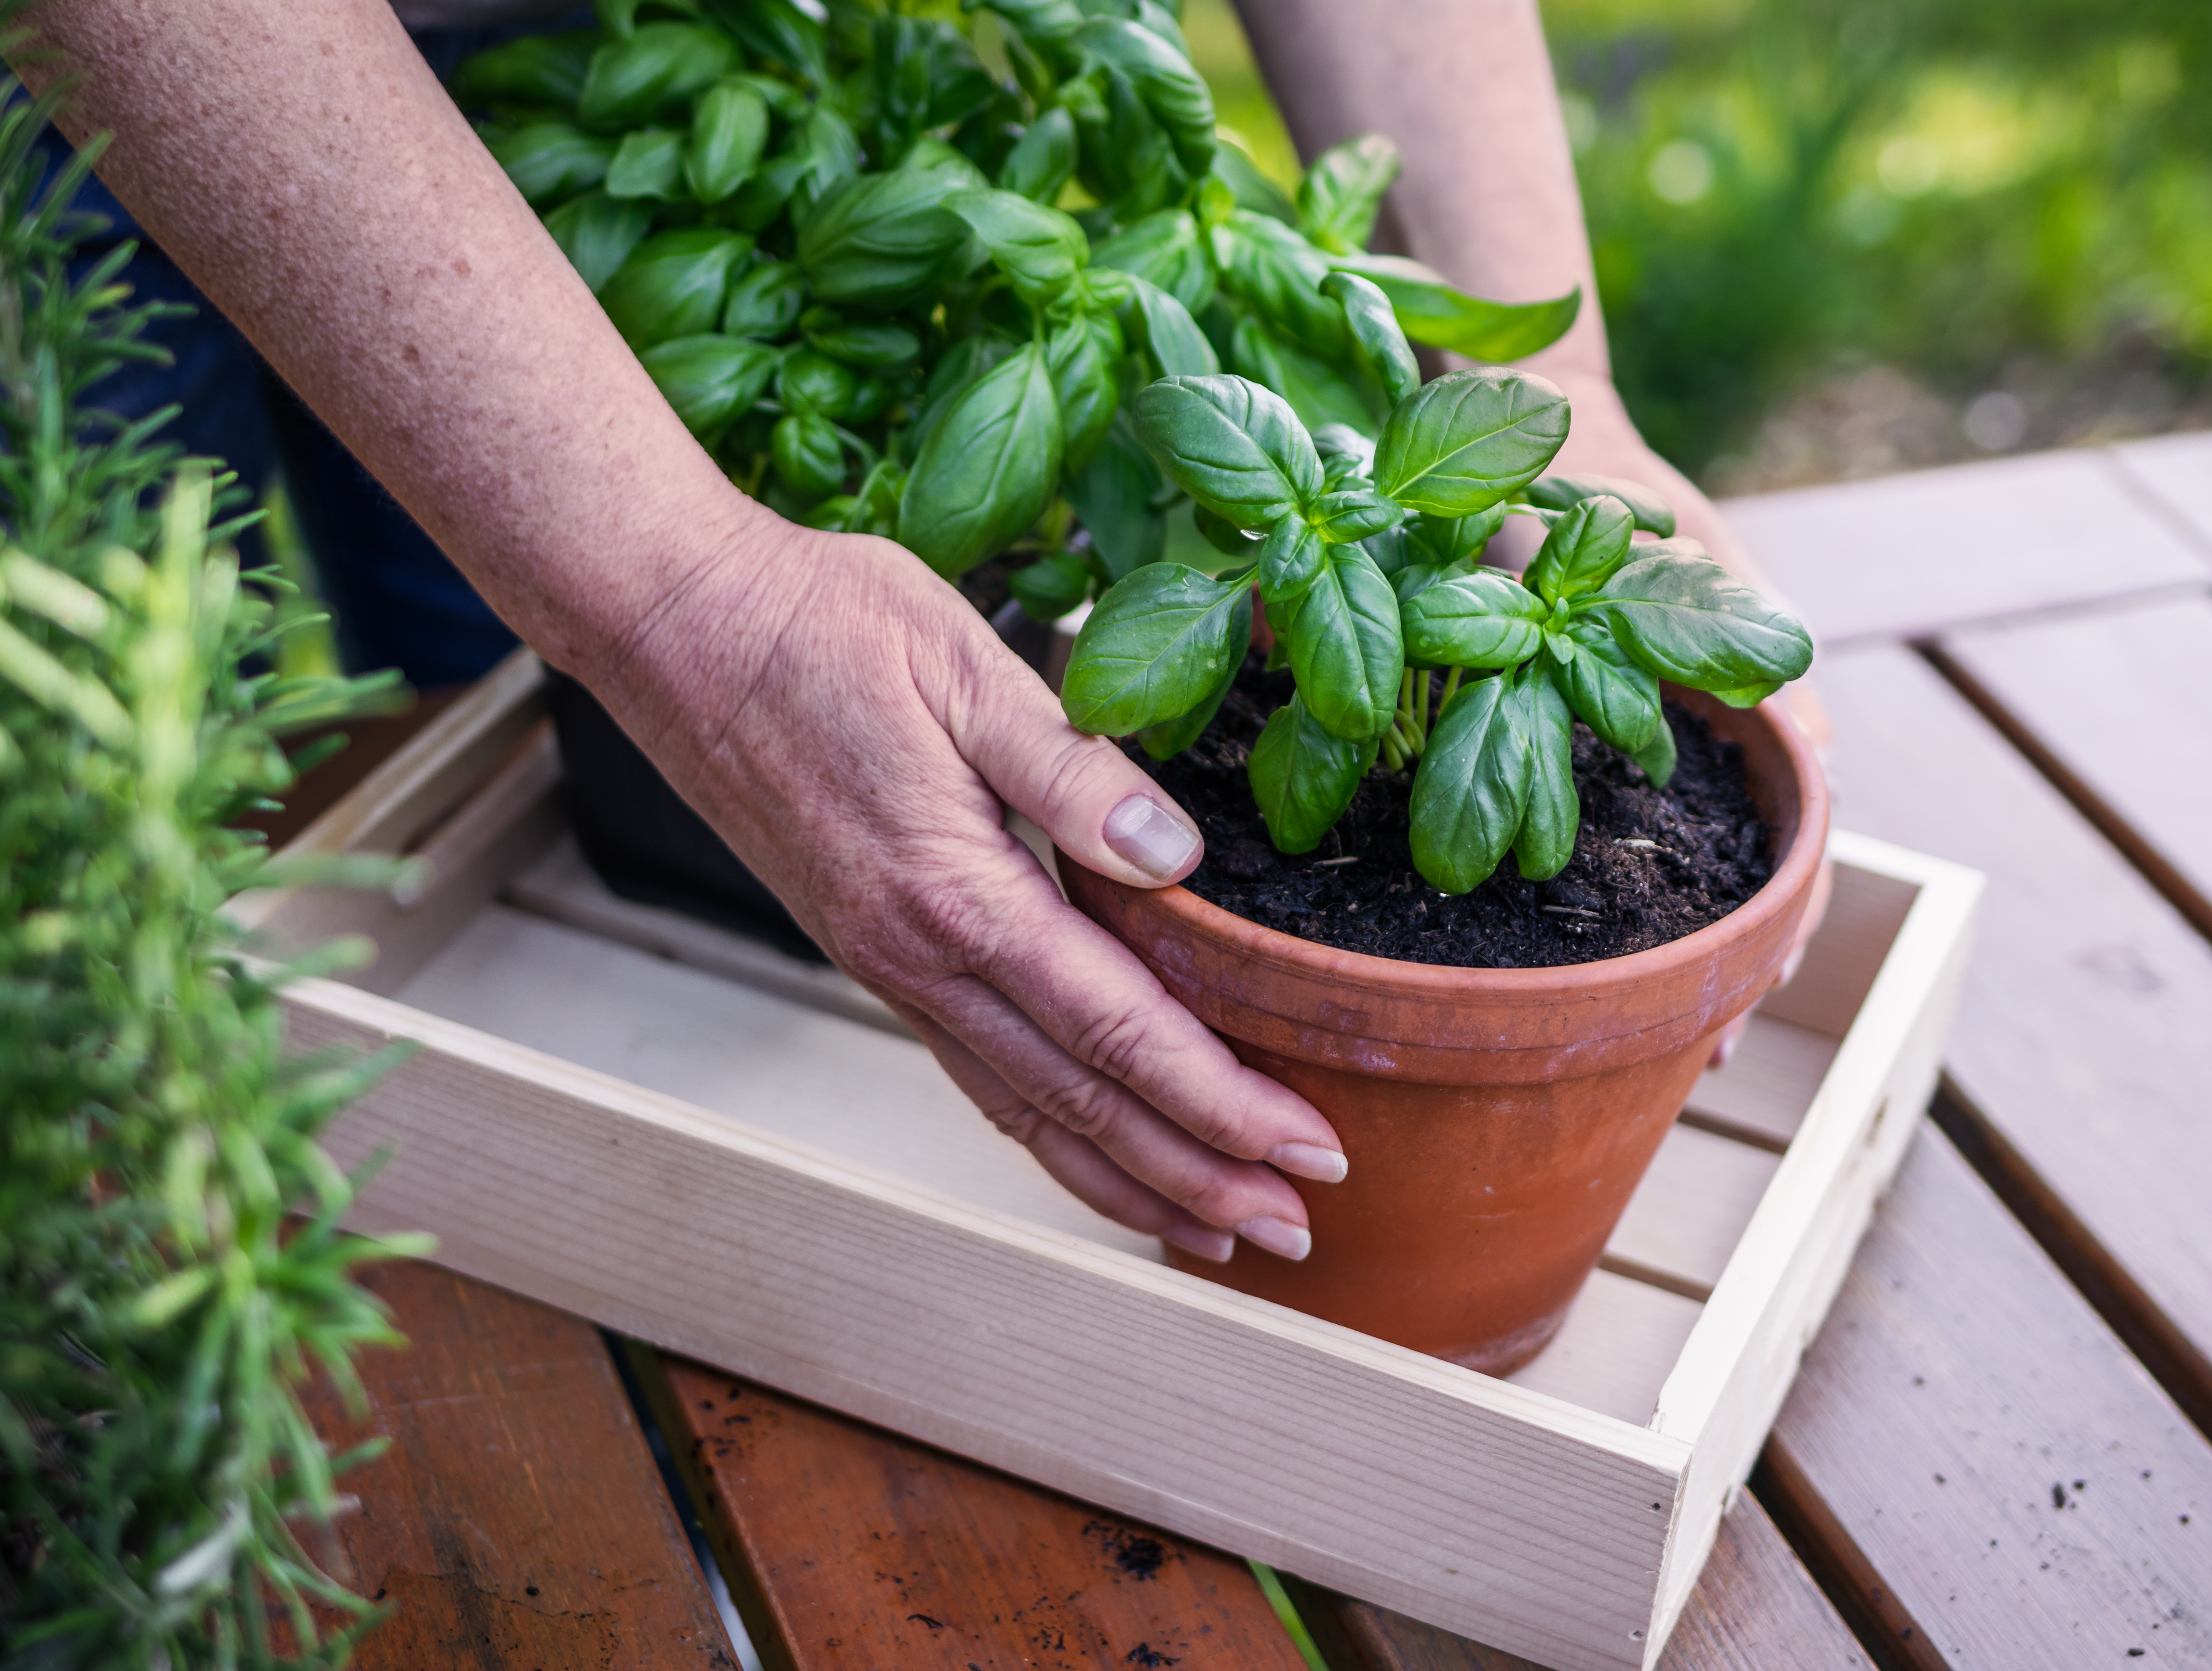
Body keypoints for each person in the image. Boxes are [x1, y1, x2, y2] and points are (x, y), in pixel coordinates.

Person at [13, 0, 1821, 1270]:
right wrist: (669, 589)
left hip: (645, 59)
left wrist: (1546, 375)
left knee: (465, 673)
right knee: (94, 936)